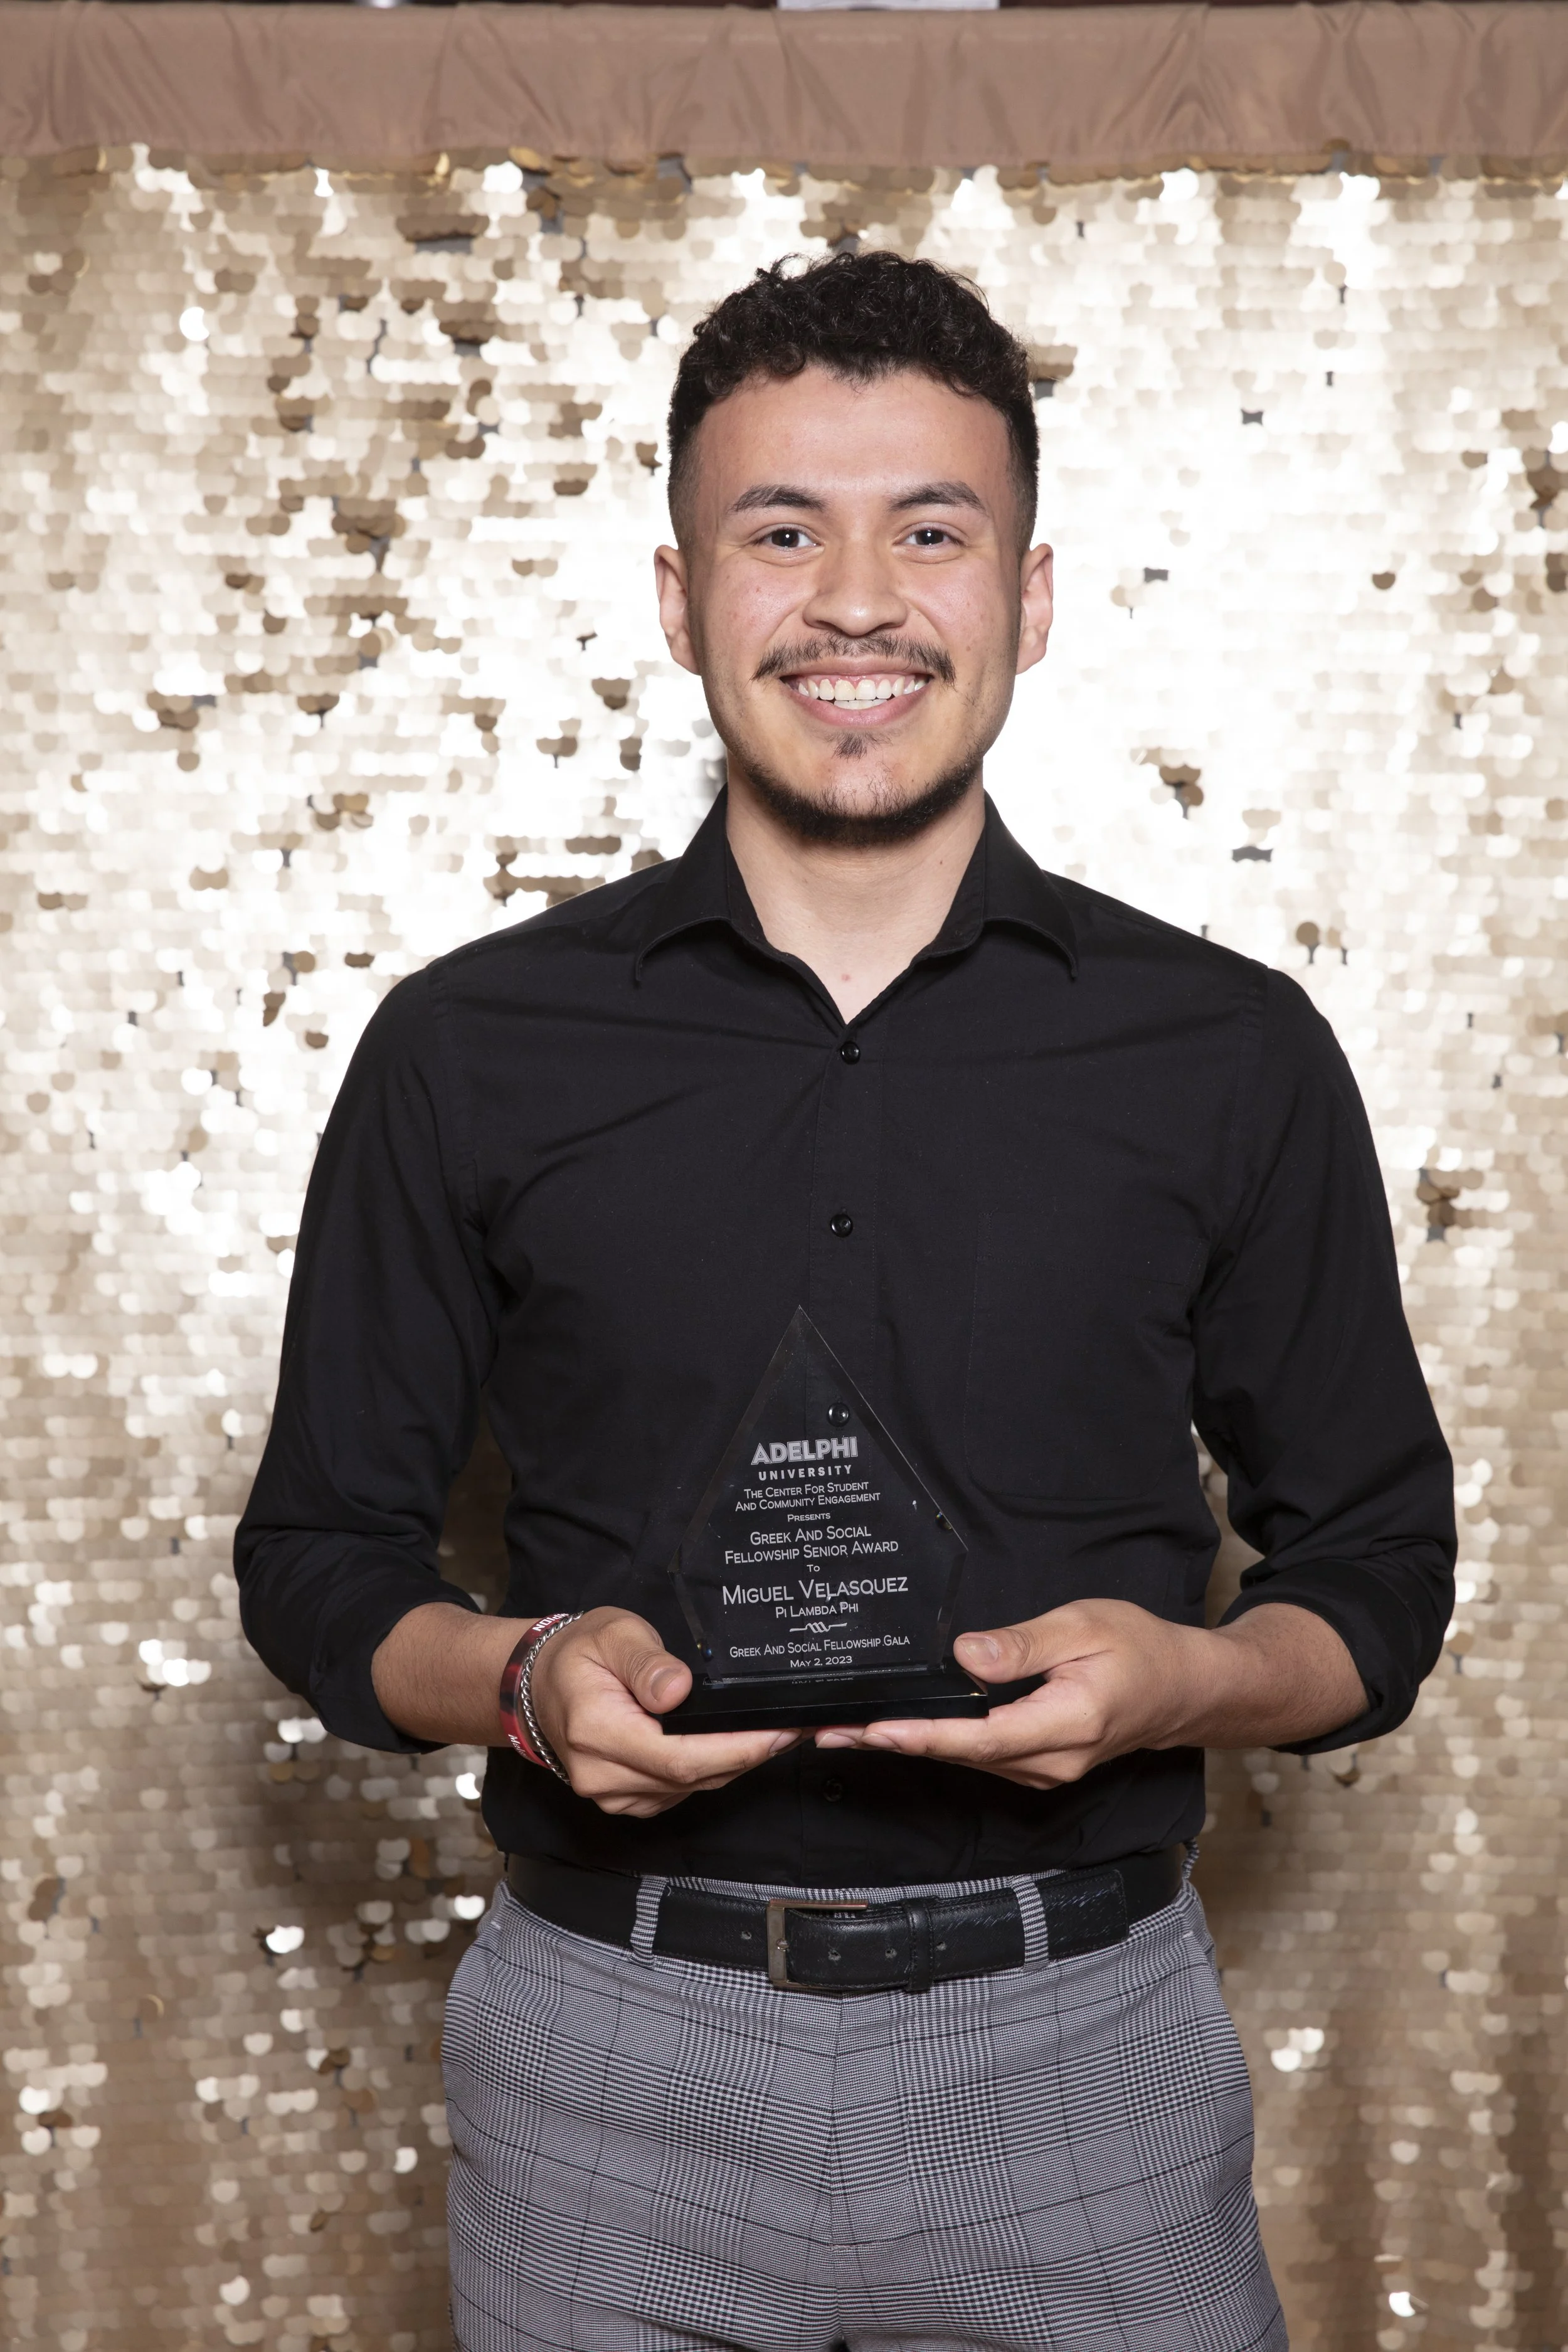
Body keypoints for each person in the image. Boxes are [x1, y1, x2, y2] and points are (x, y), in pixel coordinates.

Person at [236, 250, 1455, 2352]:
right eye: (780, 528)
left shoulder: (1226, 1050)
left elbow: (1379, 1569)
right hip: (608, 2068)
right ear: (678, 595)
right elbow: (319, 1562)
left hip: (1083, 2052)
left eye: (931, 528)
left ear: (1029, 596)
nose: (857, 598)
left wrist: (1180, 1685)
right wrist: (521, 1685)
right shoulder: (466, 1046)